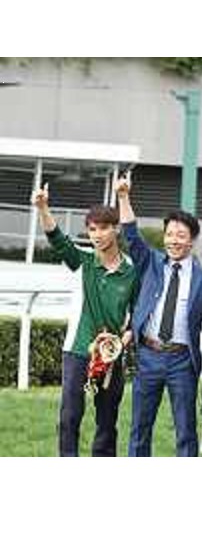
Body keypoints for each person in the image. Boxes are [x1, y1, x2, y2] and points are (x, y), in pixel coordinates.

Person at [31, 183, 137, 457]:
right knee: (69, 417)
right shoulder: (83, 260)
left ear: (116, 229)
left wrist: (121, 343)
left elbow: (137, 315)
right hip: (77, 351)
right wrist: (43, 208)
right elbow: (57, 239)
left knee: (106, 421)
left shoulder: (131, 271)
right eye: (92, 229)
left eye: (103, 228)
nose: (97, 235)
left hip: (111, 356)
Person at [115, 174, 202, 457]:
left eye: (181, 235)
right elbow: (131, 236)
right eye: (170, 234)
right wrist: (123, 196)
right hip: (149, 355)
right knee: (139, 427)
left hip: (183, 361)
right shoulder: (152, 262)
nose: (174, 240)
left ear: (192, 240)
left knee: (185, 430)